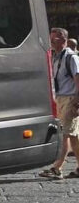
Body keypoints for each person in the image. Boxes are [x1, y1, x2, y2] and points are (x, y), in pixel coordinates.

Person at [40, 27, 79, 179]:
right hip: (61, 99)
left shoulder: (71, 57)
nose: (50, 42)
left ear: (63, 39)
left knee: (64, 134)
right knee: (73, 136)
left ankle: (57, 167)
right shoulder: (56, 57)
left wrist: (77, 103)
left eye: (53, 39)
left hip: (70, 99)